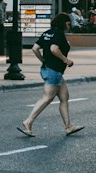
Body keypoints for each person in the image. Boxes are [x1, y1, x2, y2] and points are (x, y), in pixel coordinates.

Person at [18, 10, 84, 138]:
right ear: (64, 23)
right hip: (54, 71)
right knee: (47, 97)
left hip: (49, 69)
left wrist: (43, 60)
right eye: (68, 23)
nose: (69, 26)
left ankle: (68, 126)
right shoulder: (59, 34)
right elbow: (54, 49)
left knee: (64, 97)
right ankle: (28, 121)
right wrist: (66, 60)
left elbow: (35, 48)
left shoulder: (47, 33)